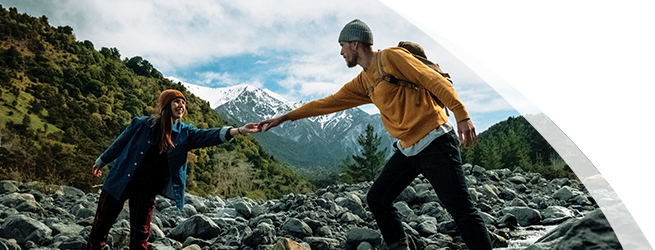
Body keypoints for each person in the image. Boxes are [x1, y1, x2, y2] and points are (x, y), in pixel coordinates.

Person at [259, 19, 492, 250]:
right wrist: (285, 117)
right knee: (378, 199)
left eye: (342, 45)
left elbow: (433, 80)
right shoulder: (363, 81)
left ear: (355, 44)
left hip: (435, 140)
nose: (340, 52)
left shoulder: (391, 57)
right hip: (408, 149)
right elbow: (328, 103)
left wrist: (461, 114)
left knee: (461, 209)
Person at [86, 89, 259, 250]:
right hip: (120, 180)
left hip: (147, 191)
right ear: (166, 105)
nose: (181, 106)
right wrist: (101, 161)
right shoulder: (141, 124)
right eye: (177, 102)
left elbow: (208, 135)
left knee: (140, 237)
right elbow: (119, 144)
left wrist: (238, 130)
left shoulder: (185, 133)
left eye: (183, 103)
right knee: (100, 229)